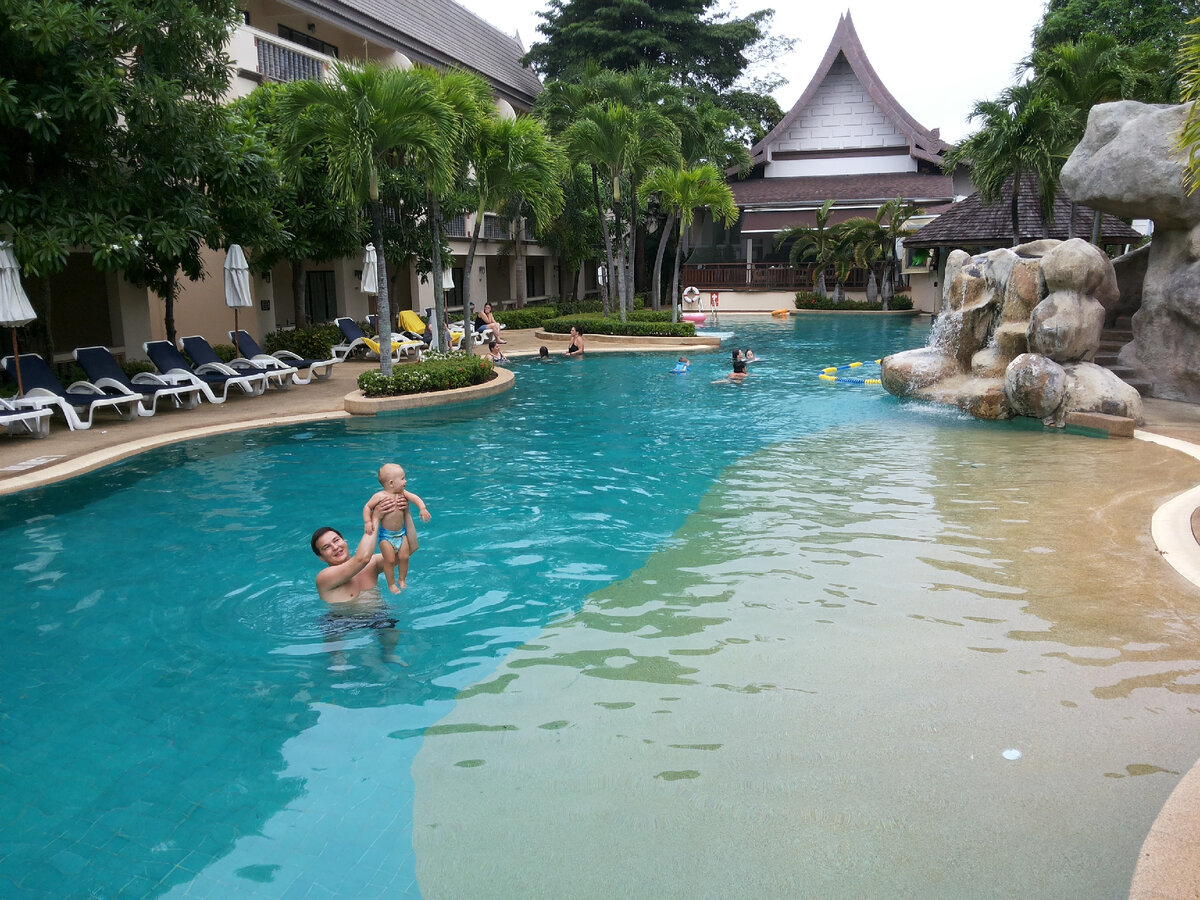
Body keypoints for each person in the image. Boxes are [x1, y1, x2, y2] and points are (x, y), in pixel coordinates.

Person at [311, 496, 406, 664]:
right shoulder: (324, 578)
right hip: (341, 621)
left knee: (389, 628)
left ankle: (388, 654)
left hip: (375, 614)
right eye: (326, 547)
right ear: (321, 557)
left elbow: (404, 553)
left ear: (344, 541)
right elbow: (361, 559)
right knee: (338, 660)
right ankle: (337, 664)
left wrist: (403, 515)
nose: (335, 547)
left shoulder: (372, 563)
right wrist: (375, 518)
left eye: (336, 540)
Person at [361, 463, 432, 594]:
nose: (406, 481)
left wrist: (422, 508)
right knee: (390, 560)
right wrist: (367, 521)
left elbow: (415, 498)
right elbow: (367, 507)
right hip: (386, 537)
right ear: (391, 483)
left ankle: (402, 579)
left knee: (404, 557)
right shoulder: (379, 496)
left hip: (401, 534)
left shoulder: (403, 493)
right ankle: (391, 584)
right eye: (403, 478)